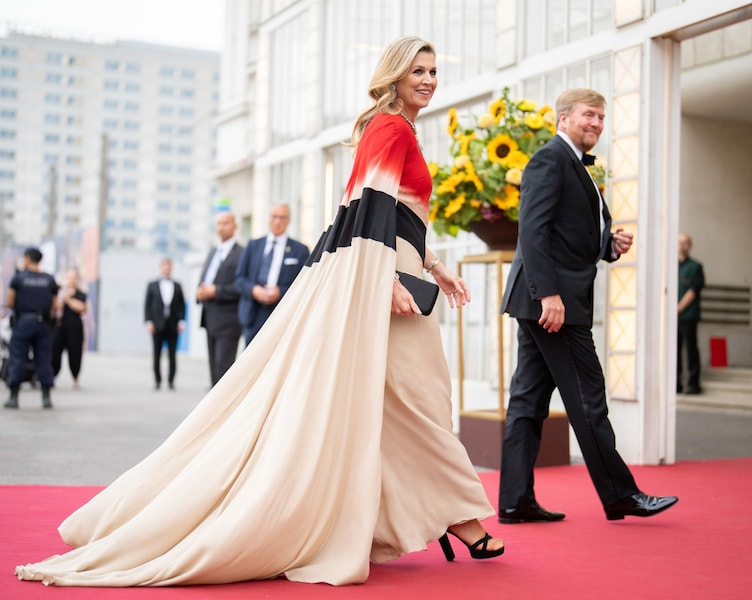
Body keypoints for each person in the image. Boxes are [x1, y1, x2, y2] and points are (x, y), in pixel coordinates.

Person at [14, 36, 502, 588]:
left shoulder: (394, 128)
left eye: (434, 71)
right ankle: (460, 517)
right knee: (417, 397)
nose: (429, 79)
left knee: (396, 401)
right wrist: (388, 276)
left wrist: (434, 266)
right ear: (392, 75)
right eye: (418, 70)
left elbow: (393, 214)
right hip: (382, 277)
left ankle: (412, 516)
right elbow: (369, 209)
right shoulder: (390, 127)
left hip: (392, 270)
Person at [497, 88, 678, 523]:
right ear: (563, 118)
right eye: (589, 116)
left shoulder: (580, 164)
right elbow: (533, 232)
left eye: (601, 117)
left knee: (527, 401)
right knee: (588, 398)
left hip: (546, 299)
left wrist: (607, 245)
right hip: (553, 304)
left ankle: (514, 501)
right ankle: (620, 495)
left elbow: (565, 232)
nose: (597, 123)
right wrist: (549, 295)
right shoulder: (550, 158)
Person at [234, 203, 310, 345]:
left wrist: (280, 291)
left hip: (282, 314)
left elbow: (305, 285)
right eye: (274, 217)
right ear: (268, 219)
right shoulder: (253, 245)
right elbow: (239, 279)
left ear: (288, 221)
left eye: (282, 217)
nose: (277, 221)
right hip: (253, 313)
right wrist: (254, 290)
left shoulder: (300, 250)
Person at [3, 247, 58, 409]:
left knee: (18, 358)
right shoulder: (49, 279)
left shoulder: (18, 278)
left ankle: (14, 398)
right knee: (44, 360)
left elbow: (10, 302)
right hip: (43, 323)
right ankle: (46, 397)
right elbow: (55, 305)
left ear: (27, 259)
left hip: (23, 323)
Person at [196, 212, 243, 386]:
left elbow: (240, 285)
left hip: (229, 321)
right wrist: (199, 292)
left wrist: (216, 291)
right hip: (210, 318)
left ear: (235, 226)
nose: (221, 227)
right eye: (218, 224)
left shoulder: (241, 254)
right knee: (213, 371)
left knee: (224, 371)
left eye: (225, 223)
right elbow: (206, 278)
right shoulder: (213, 251)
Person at [143, 258, 186, 390]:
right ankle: (157, 380)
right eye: (164, 266)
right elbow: (147, 305)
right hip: (157, 325)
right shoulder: (152, 285)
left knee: (172, 354)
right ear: (161, 267)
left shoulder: (178, 285)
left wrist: (182, 321)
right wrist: (148, 321)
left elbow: (182, 305)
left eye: (169, 266)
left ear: (171, 268)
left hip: (173, 325)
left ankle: (171, 381)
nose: (166, 268)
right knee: (157, 354)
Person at [677, 233, 705, 394]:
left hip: (688, 316)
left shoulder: (696, 267)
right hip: (673, 317)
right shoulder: (672, 266)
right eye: (680, 243)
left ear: (690, 246)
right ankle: (676, 383)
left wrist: (678, 308)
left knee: (691, 349)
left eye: (686, 243)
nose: (682, 246)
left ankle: (693, 384)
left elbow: (694, 290)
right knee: (674, 350)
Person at [51, 267, 87, 389]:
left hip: (75, 326)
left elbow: (82, 307)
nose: (72, 280)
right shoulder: (59, 291)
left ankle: (75, 378)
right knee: (55, 352)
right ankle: (52, 377)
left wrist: (69, 299)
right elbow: (56, 306)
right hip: (60, 326)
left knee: (75, 353)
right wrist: (63, 297)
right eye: (70, 277)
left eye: (74, 277)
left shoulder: (81, 293)